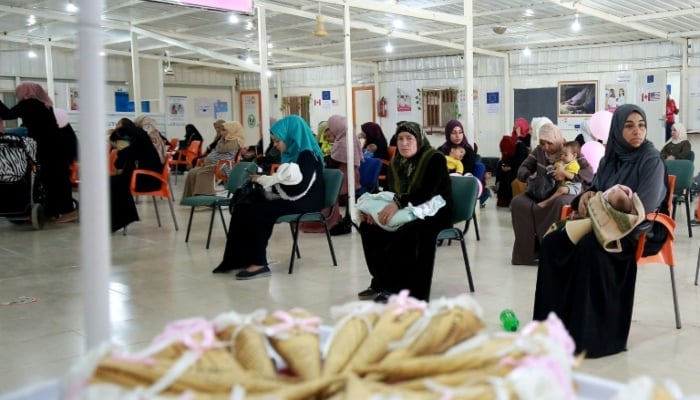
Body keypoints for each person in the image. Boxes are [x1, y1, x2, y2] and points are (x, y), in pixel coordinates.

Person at [533, 104, 667, 358]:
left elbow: (645, 205)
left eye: (641, 125)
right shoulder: (609, 158)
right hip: (601, 220)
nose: (637, 131)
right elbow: (594, 187)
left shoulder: (651, 159)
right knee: (552, 244)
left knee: (590, 248)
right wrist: (586, 197)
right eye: (628, 126)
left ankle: (594, 337)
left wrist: (602, 199)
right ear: (617, 130)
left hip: (638, 228)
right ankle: (553, 328)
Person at [212, 115, 325, 280]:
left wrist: (267, 183)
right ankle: (237, 259)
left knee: (259, 211)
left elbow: (299, 189)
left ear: (291, 136)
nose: (275, 145)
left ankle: (259, 263)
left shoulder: (307, 155)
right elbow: (285, 180)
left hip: (305, 201)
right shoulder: (294, 152)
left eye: (277, 141)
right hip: (291, 196)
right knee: (244, 206)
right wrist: (266, 181)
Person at [357, 121, 453, 303]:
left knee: (411, 232)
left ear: (419, 140)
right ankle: (381, 282)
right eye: (400, 139)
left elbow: (426, 193)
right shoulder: (396, 163)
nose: (404, 143)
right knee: (369, 227)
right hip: (405, 208)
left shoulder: (434, 159)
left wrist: (398, 203)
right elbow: (388, 193)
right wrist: (373, 212)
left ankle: (411, 292)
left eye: (409, 138)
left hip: (435, 211)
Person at [510, 123, 594, 265]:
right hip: (542, 190)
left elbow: (589, 174)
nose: (546, 147)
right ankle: (527, 253)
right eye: (543, 143)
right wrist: (528, 177)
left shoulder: (570, 149)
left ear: (557, 139)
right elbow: (522, 168)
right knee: (519, 202)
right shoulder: (538, 152)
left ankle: (551, 251)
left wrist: (567, 175)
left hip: (567, 189)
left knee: (559, 203)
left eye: (550, 143)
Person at [0, 82, 77, 222]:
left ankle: (67, 212)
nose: (17, 95)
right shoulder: (42, 105)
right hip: (56, 147)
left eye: (18, 92)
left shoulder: (29, 103)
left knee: (55, 180)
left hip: (51, 148)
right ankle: (54, 211)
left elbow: (7, 114)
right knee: (52, 180)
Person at [109, 118, 163, 232]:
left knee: (112, 183)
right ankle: (121, 218)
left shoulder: (126, 137)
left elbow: (119, 163)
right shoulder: (139, 135)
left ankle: (121, 219)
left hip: (146, 180)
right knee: (113, 182)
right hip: (151, 178)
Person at [181, 121, 245, 198]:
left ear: (231, 130)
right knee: (192, 172)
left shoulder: (235, 141)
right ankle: (190, 197)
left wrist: (221, 141)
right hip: (215, 165)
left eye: (224, 130)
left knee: (203, 173)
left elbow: (221, 149)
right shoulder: (224, 139)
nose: (221, 132)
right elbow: (218, 148)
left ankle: (205, 199)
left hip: (224, 167)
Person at [325, 115, 362, 236]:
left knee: (325, 183)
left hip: (344, 177)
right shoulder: (350, 136)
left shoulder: (343, 141)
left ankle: (330, 218)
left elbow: (334, 162)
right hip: (351, 174)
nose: (330, 130)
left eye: (331, 127)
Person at [495, 117, 530, 207]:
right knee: (500, 165)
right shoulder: (513, 138)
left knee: (511, 175)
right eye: (515, 125)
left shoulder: (527, 139)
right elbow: (508, 154)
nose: (515, 127)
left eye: (518, 125)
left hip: (522, 165)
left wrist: (519, 136)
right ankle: (498, 186)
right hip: (514, 163)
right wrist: (506, 165)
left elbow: (520, 160)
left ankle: (509, 197)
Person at [537, 141, 582, 208]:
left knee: (561, 189)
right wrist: (551, 168)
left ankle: (547, 202)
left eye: (565, 155)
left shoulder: (574, 164)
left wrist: (562, 171)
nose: (562, 157)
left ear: (574, 156)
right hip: (563, 184)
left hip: (573, 187)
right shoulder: (561, 162)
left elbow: (572, 176)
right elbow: (554, 167)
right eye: (561, 154)